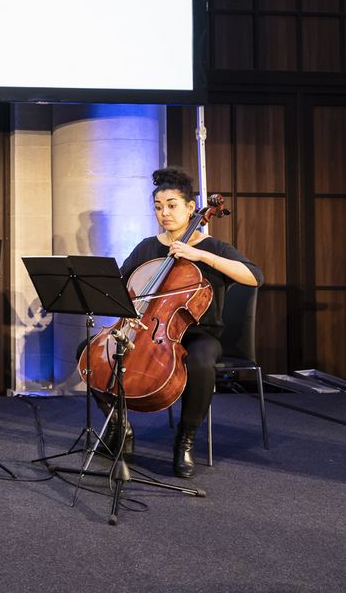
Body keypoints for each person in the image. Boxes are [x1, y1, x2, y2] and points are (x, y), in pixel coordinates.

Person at [88, 166, 263, 478]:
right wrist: (124, 308)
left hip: (199, 333)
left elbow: (255, 277)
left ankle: (185, 440)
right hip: (149, 331)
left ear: (190, 207)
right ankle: (120, 427)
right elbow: (120, 286)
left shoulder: (214, 248)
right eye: (158, 207)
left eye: (171, 205)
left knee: (200, 362)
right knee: (88, 353)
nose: (164, 213)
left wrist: (201, 257)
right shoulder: (147, 247)